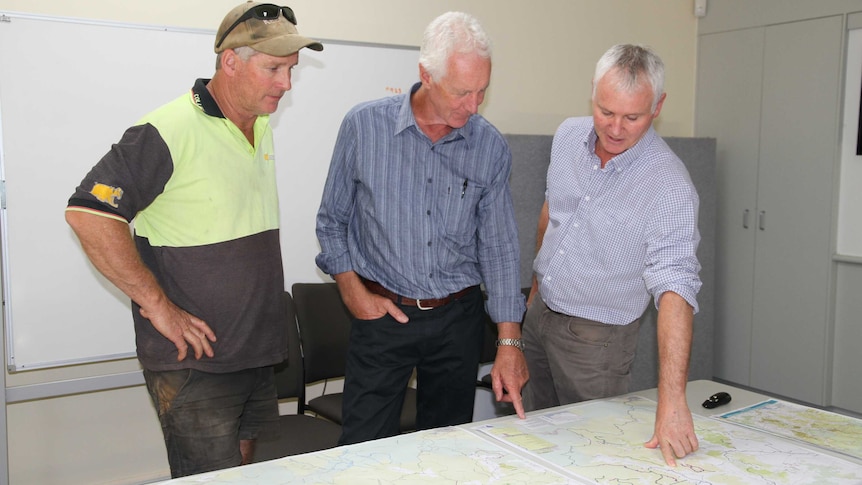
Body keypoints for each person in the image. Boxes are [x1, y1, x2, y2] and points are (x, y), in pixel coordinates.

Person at [64, 2, 322, 477]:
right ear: (230, 62)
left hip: (254, 352)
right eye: (273, 69)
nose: (286, 85)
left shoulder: (258, 123)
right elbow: (88, 213)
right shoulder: (167, 129)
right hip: (196, 367)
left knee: (242, 470)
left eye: (291, 70)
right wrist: (158, 306)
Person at [315, 11, 527, 445]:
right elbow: (331, 220)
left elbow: (500, 249)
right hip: (383, 314)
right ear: (425, 75)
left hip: (457, 319)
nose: (473, 105)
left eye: (482, 91)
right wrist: (352, 290)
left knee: (447, 450)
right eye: (462, 92)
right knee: (361, 452)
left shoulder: (489, 145)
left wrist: (509, 341)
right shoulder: (364, 127)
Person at [523, 44, 702, 466]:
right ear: (592, 93)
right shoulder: (568, 134)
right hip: (539, 315)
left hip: (596, 343)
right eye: (606, 111)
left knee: (593, 454)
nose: (615, 128)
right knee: (534, 440)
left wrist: (672, 400)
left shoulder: (670, 185)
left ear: (658, 106)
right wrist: (534, 289)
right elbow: (553, 214)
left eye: (632, 117)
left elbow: (676, 287)